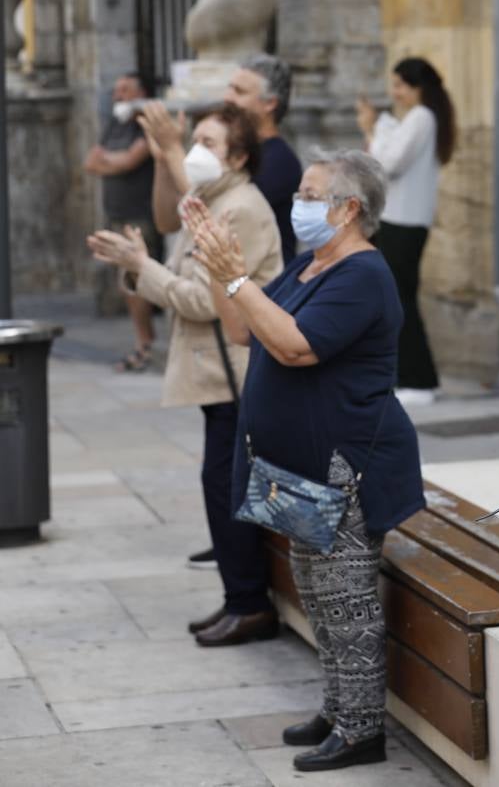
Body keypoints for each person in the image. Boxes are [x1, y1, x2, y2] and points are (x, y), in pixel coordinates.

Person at [184, 149, 425, 773]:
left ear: (349, 209)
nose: (299, 202)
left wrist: (238, 277)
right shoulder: (313, 264)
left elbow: (294, 347)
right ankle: (338, 707)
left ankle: (361, 728)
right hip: (298, 467)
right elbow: (243, 330)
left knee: (347, 599)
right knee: (318, 592)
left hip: (347, 463)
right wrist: (217, 264)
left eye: (312, 194)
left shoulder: (363, 275)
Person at [88, 103, 283, 646]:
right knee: (220, 484)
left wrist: (140, 267)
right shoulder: (212, 200)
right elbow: (167, 230)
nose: (197, 151)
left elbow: (203, 298)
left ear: (239, 157)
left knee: (228, 486)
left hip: (235, 367)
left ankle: (248, 602)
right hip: (214, 368)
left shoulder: (239, 207)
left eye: (210, 143)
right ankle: (236, 598)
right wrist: (140, 257)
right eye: (192, 139)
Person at [356, 57, 456, 406]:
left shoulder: (421, 118)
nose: (394, 92)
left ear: (417, 88)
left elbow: (388, 163)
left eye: (400, 85)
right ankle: (413, 376)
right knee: (399, 298)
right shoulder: (418, 119)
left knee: (402, 300)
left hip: (404, 222)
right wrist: (378, 127)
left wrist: (372, 127)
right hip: (400, 219)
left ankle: (419, 380)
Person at [83, 72, 160, 372]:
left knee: (136, 283)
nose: (119, 97)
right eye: (117, 91)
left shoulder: (144, 124)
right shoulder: (115, 123)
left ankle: (145, 345)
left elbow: (132, 160)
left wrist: (110, 161)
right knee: (125, 284)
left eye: (125, 90)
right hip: (115, 214)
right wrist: (114, 161)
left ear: (140, 93)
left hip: (138, 217)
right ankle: (143, 340)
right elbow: (91, 162)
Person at [225, 53, 302, 262]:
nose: (228, 98)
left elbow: (219, 213)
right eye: (230, 88)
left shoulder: (281, 162)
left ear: (269, 103)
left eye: (239, 91)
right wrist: (163, 160)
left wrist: (172, 150)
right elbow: (169, 221)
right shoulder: (235, 151)